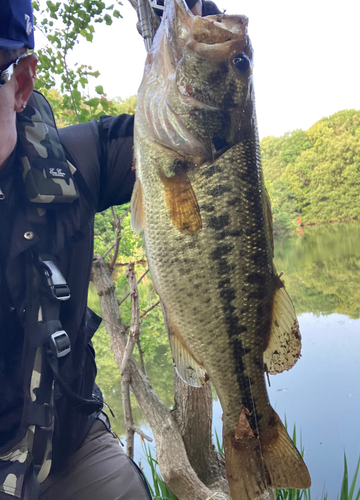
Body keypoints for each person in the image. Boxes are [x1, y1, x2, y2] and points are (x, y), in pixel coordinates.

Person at [0, 0, 221, 499]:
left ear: (21, 83)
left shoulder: (74, 162)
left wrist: (196, 27)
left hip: (70, 447)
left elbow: (205, 145)